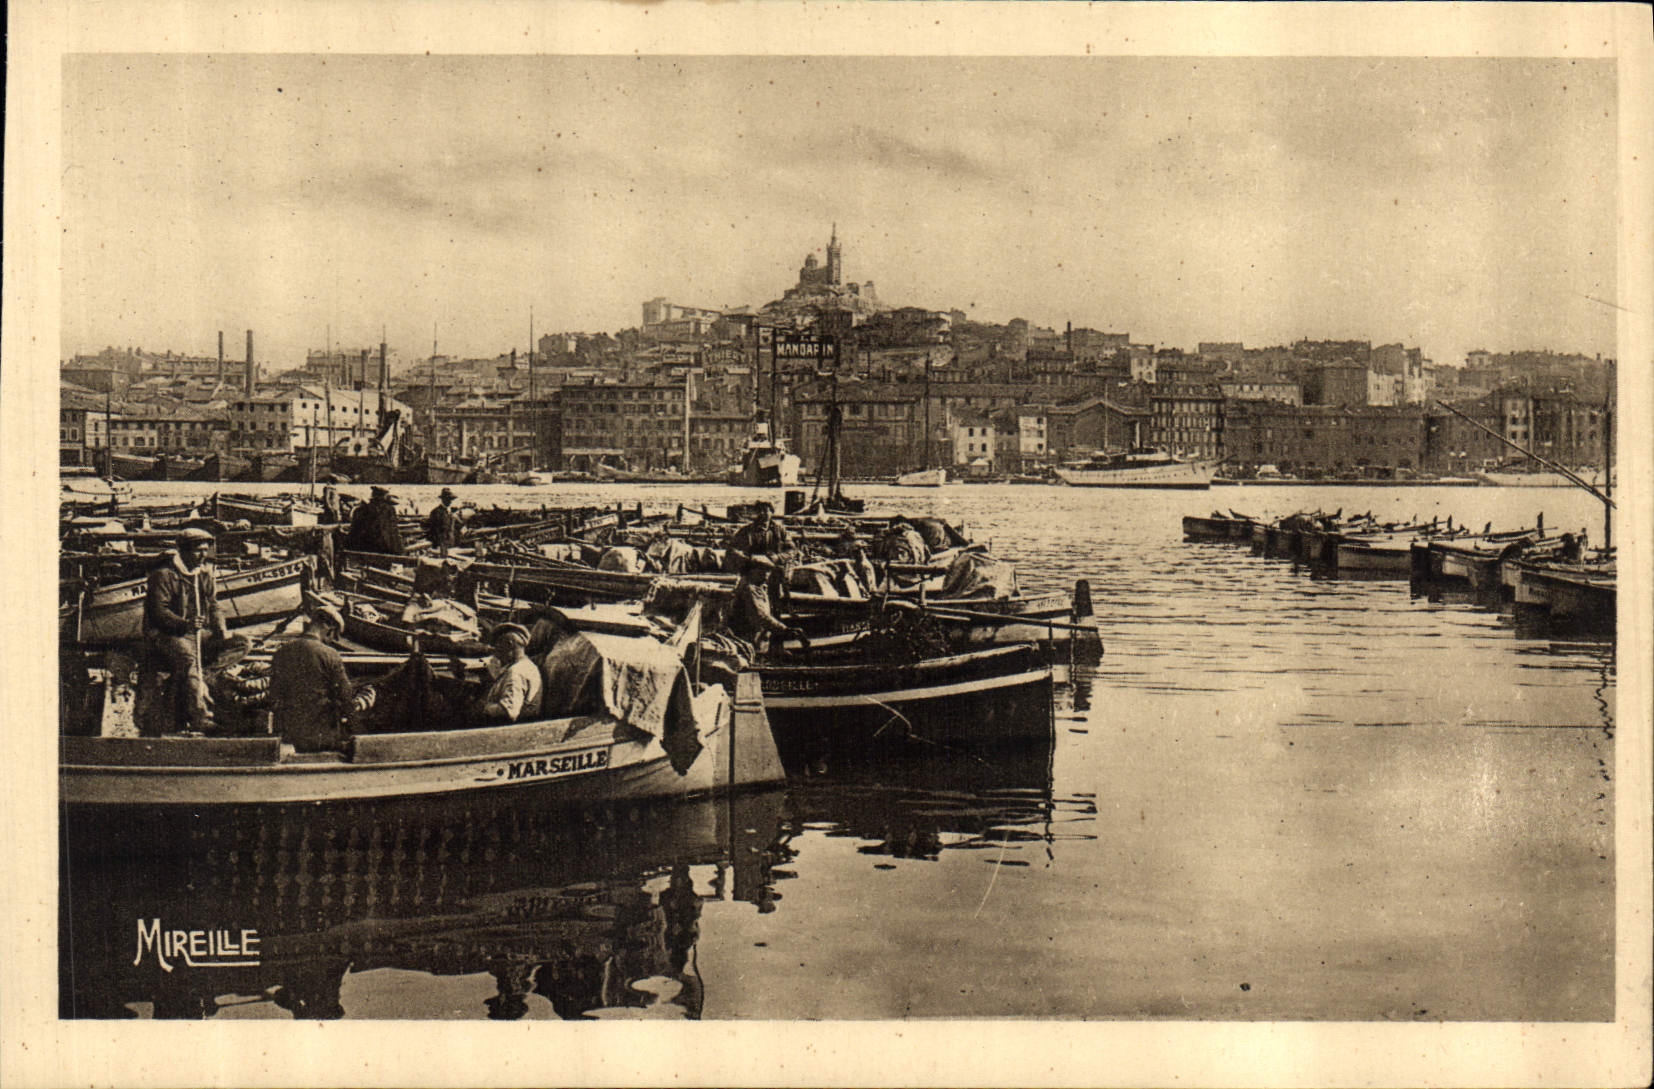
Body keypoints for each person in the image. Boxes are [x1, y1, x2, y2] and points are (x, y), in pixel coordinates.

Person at [140, 527, 225, 734]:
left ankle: (205, 675)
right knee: (188, 658)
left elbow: (214, 605)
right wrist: (185, 624)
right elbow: (158, 612)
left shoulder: (204, 575)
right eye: (198, 550)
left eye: (206, 550)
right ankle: (200, 716)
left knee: (242, 643)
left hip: (196, 633)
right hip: (166, 633)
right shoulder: (164, 575)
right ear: (184, 552)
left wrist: (221, 629)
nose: (204, 555)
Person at [268, 605, 353, 752]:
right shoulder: (331, 655)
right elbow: (346, 696)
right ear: (328, 628)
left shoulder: (281, 652)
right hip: (322, 735)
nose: (332, 640)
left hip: (289, 734)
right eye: (334, 635)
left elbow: (274, 695)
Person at [727, 555, 806, 655]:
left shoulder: (760, 588)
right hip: (746, 641)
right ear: (751, 571)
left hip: (757, 641)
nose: (766, 574)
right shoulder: (749, 589)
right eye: (761, 570)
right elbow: (760, 617)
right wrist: (785, 630)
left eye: (768, 571)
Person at [479, 622, 542, 723]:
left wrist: (484, 707)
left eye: (498, 645)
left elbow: (508, 711)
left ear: (509, 644)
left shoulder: (516, 672)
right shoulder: (528, 666)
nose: (496, 652)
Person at [343, 485, 404, 555]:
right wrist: (401, 550)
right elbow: (393, 532)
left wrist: (347, 546)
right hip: (383, 548)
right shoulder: (389, 510)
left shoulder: (359, 510)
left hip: (361, 547)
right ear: (384, 497)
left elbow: (353, 531)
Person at [727, 505, 792, 556]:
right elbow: (732, 548)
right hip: (753, 566)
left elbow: (791, 549)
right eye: (759, 511)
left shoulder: (779, 529)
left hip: (775, 564)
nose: (762, 513)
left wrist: (779, 558)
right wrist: (746, 558)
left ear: (771, 513)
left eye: (765, 511)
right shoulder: (746, 530)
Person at [426, 487, 461, 557]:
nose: (450, 501)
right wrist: (437, 544)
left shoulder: (450, 512)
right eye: (448, 499)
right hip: (439, 544)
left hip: (449, 542)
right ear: (443, 499)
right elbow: (433, 530)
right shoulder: (436, 512)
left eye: (451, 499)